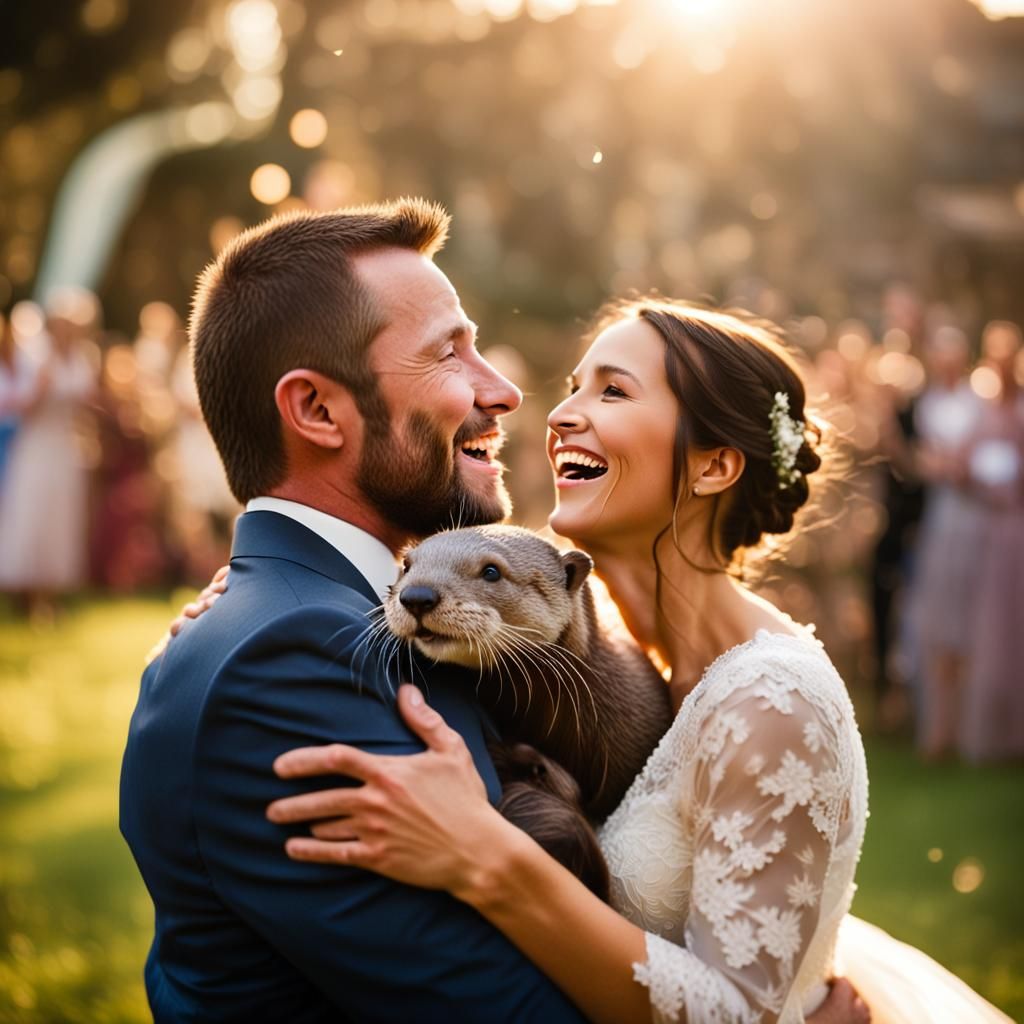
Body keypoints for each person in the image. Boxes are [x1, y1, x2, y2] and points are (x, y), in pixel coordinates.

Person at [124, 201, 866, 1024]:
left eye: (613, 391)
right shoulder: (297, 648)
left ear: (717, 465)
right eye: (450, 352)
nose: (523, 399)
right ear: (319, 411)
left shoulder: (751, 690)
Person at [264, 301, 1013, 1023]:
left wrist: (484, 854)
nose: (558, 416)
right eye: (572, 389)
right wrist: (260, 588)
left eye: (614, 390)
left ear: (715, 465)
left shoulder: (771, 701)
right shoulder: (612, 653)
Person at [907, 326, 985, 759]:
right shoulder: (928, 404)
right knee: (938, 617)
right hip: (943, 517)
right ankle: (939, 726)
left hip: (979, 516)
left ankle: (975, 723)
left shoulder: (979, 402)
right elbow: (924, 460)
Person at [0, 289, 97, 616]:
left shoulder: (83, 357)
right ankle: (26, 595)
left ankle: (50, 594)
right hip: (36, 446)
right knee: (32, 514)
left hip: (65, 448)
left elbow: (87, 403)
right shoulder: (36, 356)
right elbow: (23, 407)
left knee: (60, 517)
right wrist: (41, 387)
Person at [959, 321, 1024, 762]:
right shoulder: (981, 413)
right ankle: (993, 734)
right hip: (990, 528)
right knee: (990, 628)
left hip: (1016, 528)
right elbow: (963, 465)